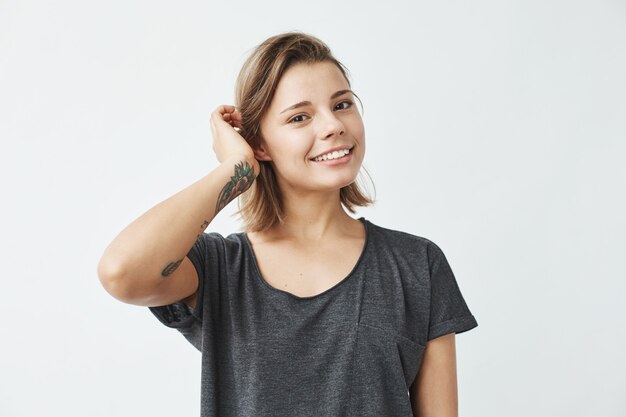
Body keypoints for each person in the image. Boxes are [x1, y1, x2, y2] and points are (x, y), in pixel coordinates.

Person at [97, 31, 478, 417]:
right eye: (300, 117)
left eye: (342, 104)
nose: (333, 125)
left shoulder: (416, 265)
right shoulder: (220, 268)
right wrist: (236, 170)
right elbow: (121, 272)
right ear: (259, 144)